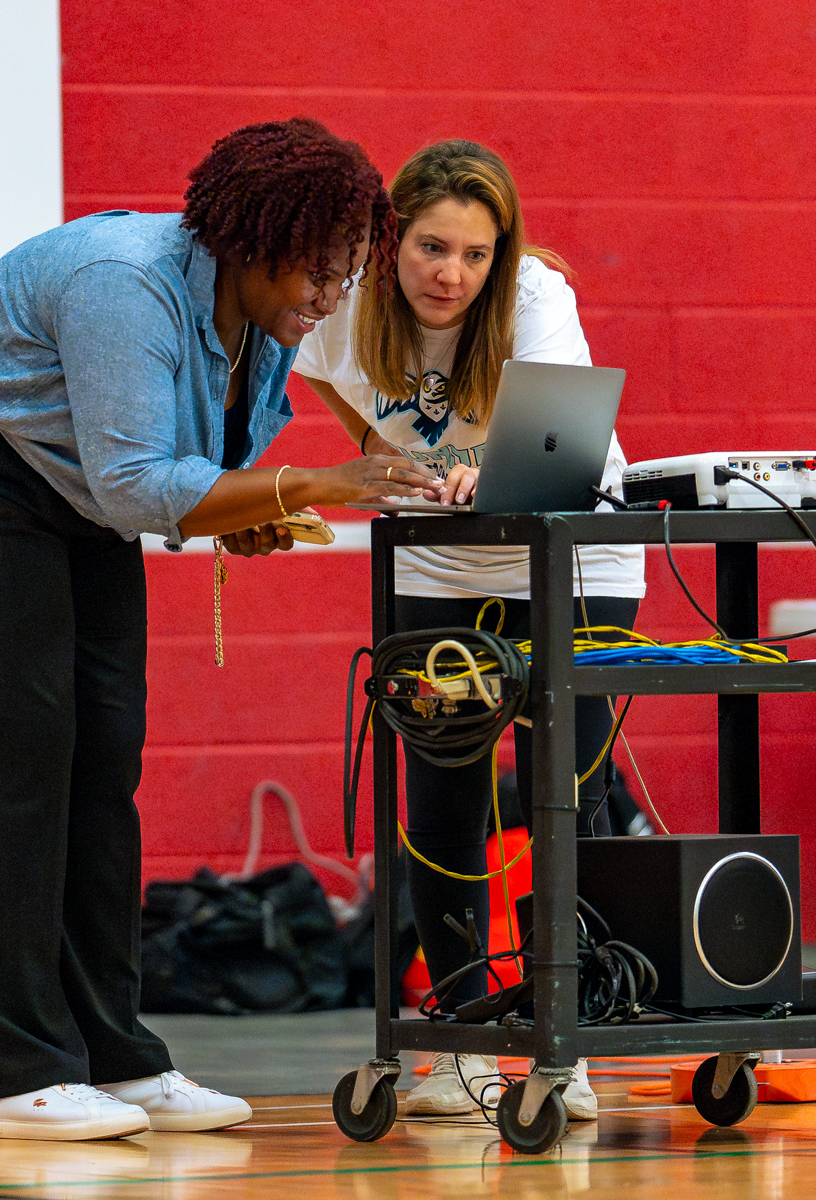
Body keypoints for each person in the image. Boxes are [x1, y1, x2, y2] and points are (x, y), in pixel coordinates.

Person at [0, 118, 438, 1143]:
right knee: (1, 762)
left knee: (103, 757)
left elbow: (175, 466)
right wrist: (323, 481)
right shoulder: (129, 284)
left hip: (57, 494)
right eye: (318, 274)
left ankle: (112, 1054)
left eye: (347, 275)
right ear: (253, 239)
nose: (333, 298)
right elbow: (138, 482)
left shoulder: (260, 318)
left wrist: (252, 510)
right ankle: (15, 1073)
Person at [293, 140, 646, 1120]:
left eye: (475, 254)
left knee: (562, 794)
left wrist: (485, 472)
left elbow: (559, 440)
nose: (451, 274)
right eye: (431, 249)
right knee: (441, 791)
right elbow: (323, 376)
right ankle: (454, 1039)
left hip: (571, 561)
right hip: (439, 564)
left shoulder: (535, 297)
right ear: (390, 237)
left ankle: (560, 1044)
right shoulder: (347, 301)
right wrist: (381, 452)